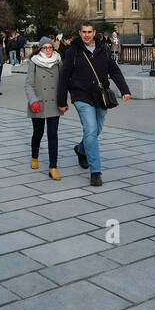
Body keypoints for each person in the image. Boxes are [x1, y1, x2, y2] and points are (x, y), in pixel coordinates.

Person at [57, 21, 132, 186]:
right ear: (80, 32)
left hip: (101, 96)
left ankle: (81, 149)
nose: (86, 35)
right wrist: (62, 101)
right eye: (83, 32)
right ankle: (95, 171)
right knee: (90, 130)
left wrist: (124, 89)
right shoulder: (73, 51)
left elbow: (114, 70)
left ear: (94, 32)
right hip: (81, 95)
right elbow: (64, 77)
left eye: (89, 32)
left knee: (96, 130)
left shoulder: (103, 49)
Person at [26, 36, 65, 180]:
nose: (48, 50)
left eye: (50, 47)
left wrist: (63, 101)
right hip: (39, 104)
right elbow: (28, 84)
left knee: (53, 135)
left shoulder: (58, 61)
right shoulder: (34, 62)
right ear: (40, 49)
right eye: (45, 48)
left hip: (54, 104)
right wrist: (33, 101)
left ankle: (53, 166)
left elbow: (63, 83)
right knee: (38, 133)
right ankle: (34, 156)